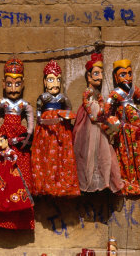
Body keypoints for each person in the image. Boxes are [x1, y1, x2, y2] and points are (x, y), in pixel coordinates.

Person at [73, 53, 123, 193]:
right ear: (89, 76)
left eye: (101, 73)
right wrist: (99, 115)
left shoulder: (97, 94)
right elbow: (89, 109)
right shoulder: (88, 92)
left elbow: (101, 104)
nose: (100, 77)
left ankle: (102, 178)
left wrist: (104, 113)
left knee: (102, 151)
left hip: (98, 120)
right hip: (90, 122)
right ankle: (90, 179)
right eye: (96, 73)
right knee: (89, 151)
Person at [31, 60, 80, 196]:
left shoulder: (63, 98)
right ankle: (46, 185)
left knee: (62, 156)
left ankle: (63, 185)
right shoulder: (43, 97)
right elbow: (38, 111)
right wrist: (41, 120)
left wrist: (65, 117)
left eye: (58, 80)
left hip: (61, 129)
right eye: (51, 80)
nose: (55, 83)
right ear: (45, 82)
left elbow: (69, 108)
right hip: (46, 129)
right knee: (46, 156)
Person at [0, 59, 34, 192]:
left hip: (20, 137)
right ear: (4, 84)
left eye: (17, 84)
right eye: (9, 84)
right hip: (4, 135)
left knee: (21, 164)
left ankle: (21, 194)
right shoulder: (2, 103)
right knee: (2, 164)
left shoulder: (25, 105)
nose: (13, 89)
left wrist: (27, 138)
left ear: (23, 84)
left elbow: (31, 126)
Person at [105, 59, 140, 195]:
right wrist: (113, 121)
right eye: (123, 74)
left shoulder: (134, 90)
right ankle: (130, 181)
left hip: (137, 131)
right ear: (116, 77)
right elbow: (106, 112)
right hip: (125, 133)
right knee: (126, 156)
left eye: (129, 73)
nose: (127, 78)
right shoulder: (114, 94)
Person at [0, 136, 34, 230]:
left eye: (2, 141)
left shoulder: (9, 151)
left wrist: (13, 162)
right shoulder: (2, 152)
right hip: (3, 169)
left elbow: (15, 155)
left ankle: (17, 205)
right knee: (0, 187)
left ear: (6, 141)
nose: (0, 144)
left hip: (10, 169)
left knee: (14, 186)